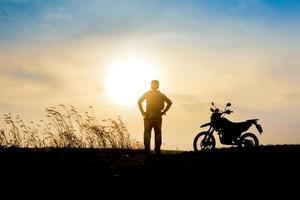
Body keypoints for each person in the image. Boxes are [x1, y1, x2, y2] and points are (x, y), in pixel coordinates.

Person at [138, 80, 172, 155]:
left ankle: (147, 150)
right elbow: (169, 102)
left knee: (147, 132)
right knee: (158, 133)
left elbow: (139, 101)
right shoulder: (161, 95)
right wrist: (164, 111)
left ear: (151, 86)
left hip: (148, 116)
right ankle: (157, 150)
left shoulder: (147, 94)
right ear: (158, 86)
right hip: (157, 116)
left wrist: (143, 112)